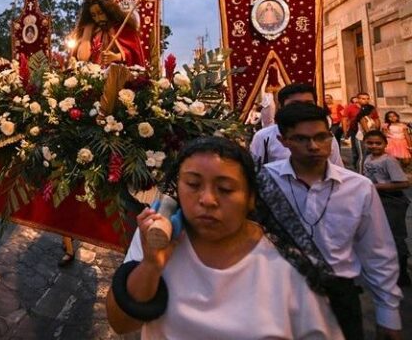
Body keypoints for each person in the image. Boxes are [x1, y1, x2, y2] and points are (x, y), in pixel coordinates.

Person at [106, 136, 342, 338]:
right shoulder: (156, 236)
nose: (207, 199)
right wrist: (151, 265)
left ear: (251, 197)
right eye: (193, 184)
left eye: (226, 188)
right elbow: (121, 324)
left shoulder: (288, 266)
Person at [265, 103, 403, 339]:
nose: (314, 146)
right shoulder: (265, 181)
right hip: (275, 297)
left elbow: (377, 251)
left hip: (339, 296)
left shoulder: (359, 187)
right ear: (283, 140)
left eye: (321, 137)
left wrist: (388, 312)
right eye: (301, 139)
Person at [250, 83, 344, 167]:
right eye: (295, 104)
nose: (302, 109)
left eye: (308, 104)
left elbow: (338, 170)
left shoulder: (327, 137)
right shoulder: (264, 137)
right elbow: (254, 172)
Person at [362, 130, 410, 287]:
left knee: (395, 235)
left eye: (378, 143)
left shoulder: (389, 160)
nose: (374, 146)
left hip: (393, 201)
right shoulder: (368, 158)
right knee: (380, 235)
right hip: (376, 200)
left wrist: (377, 186)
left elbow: (404, 183)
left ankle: (402, 273)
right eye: (370, 143)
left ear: (385, 144)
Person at [72, 0, 144, 67]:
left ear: (108, 11)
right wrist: (88, 30)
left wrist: (116, 57)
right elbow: (83, 58)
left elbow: (134, 53)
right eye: (94, 15)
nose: (98, 18)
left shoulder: (123, 28)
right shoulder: (95, 32)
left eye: (100, 13)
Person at [343, 92, 380, 169]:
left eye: (367, 98)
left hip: (367, 133)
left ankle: (366, 167)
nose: (366, 100)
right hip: (355, 131)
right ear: (358, 99)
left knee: (366, 152)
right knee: (356, 152)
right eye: (363, 99)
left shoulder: (371, 108)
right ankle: (357, 166)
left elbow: (376, 118)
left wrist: (377, 130)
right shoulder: (350, 107)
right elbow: (345, 119)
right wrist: (345, 131)